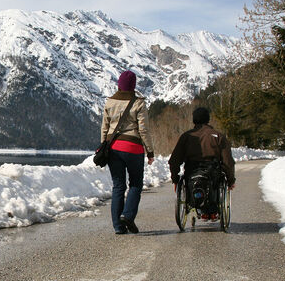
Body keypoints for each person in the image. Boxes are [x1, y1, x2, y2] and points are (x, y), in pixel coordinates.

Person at [101, 70, 155, 235]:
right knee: (136, 184)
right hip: (133, 148)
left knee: (118, 186)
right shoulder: (139, 103)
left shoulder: (109, 102)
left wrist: (103, 146)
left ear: (119, 84)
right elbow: (143, 129)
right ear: (133, 86)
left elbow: (104, 128)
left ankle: (118, 226)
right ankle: (128, 215)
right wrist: (150, 151)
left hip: (114, 149)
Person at [168, 107, 236, 219]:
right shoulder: (218, 136)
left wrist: (175, 179)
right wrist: (230, 180)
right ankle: (213, 210)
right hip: (213, 170)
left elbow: (174, 161)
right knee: (214, 181)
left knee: (193, 182)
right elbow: (228, 161)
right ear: (208, 119)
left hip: (192, 170)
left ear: (194, 120)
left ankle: (198, 206)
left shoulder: (186, 137)